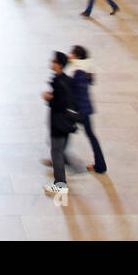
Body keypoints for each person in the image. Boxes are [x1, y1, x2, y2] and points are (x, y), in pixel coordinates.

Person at [43, 51, 77, 197]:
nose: (52, 62)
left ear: (59, 65)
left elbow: (60, 103)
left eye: (54, 61)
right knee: (59, 151)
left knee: (56, 153)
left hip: (59, 122)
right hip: (66, 122)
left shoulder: (59, 82)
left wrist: (49, 98)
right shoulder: (65, 79)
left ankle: (60, 184)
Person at [69, 46, 106, 174]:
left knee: (61, 130)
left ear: (77, 56)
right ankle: (100, 165)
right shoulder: (85, 71)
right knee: (91, 136)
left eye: (72, 54)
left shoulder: (79, 72)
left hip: (80, 110)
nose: (70, 56)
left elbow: (75, 91)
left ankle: (59, 158)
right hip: (85, 109)